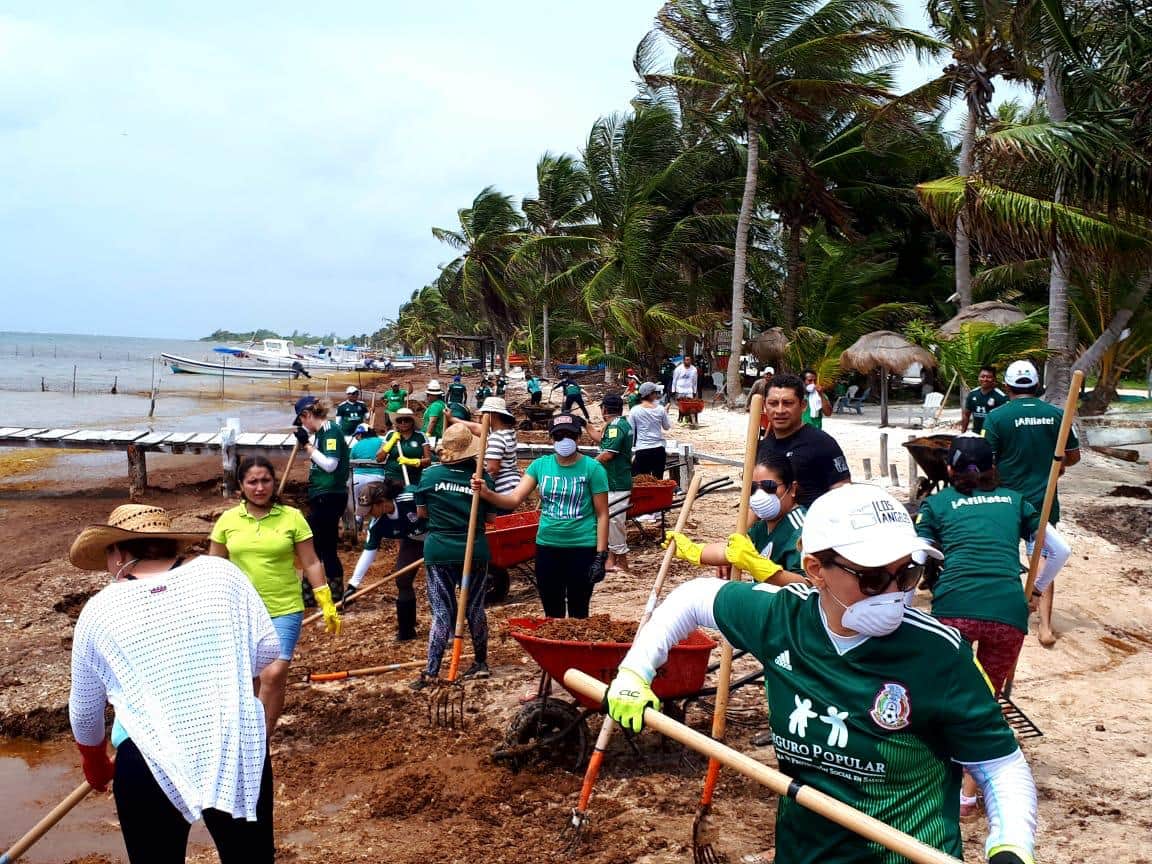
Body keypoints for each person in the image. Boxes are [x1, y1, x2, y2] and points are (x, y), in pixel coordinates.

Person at [606, 483, 1038, 864]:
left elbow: (999, 765)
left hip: (907, 854)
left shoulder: (940, 655)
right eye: (872, 579)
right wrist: (634, 673)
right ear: (816, 570)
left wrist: (1011, 846)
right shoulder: (784, 620)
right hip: (803, 850)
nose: (895, 593)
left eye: (908, 573)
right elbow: (693, 598)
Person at [69, 505, 281, 862]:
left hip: (148, 757)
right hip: (235, 741)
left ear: (119, 553)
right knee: (250, 857)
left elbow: (84, 711)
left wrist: (96, 762)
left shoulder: (99, 609)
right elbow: (265, 650)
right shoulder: (221, 574)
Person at [915, 434, 1070, 819]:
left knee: (948, 695)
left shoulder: (936, 504)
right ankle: (968, 795)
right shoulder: (1016, 501)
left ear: (949, 469)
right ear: (993, 469)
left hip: (954, 612)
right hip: (1007, 614)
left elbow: (918, 554)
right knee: (988, 697)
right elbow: (1059, 551)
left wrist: (903, 604)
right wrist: (1033, 590)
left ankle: (937, 778)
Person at [210, 456, 341, 732]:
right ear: (241, 486)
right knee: (252, 677)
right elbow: (215, 567)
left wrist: (325, 600)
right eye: (252, 482)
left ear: (273, 482)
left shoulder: (292, 517)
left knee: (275, 672)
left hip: (284, 607)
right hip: (240, 610)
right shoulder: (227, 520)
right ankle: (252, 728)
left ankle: (262, 738)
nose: (260, 487)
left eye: (265, 480)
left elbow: (311, 562)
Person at [982, 359, 1080, 646]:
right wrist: (1057, 466)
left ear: (1006, 386)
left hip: (1007, 502)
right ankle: (1045, 627)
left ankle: (1004, 614)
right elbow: (1072, 456)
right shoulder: (1055, 415)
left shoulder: (997, 417)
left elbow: (986, 463)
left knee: (1003, 556)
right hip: (1044, 500)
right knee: (1044, 559)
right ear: (1037, 386)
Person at [474, 414, 609, 618]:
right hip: (548, 547)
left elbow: (602, 514)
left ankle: (575, 648)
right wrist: (487, 493)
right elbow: (513, 499)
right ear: (551, 439)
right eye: (558, 436)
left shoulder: (593, 468)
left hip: (582, 547)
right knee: (551, 610)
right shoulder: (540, 466)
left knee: (579, 610)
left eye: (569, 435)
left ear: (578, 438)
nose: (564, 440)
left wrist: (601, 555)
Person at [412, 424, 496, 687]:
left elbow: (422, 514)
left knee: (441, 612)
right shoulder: (481, 477)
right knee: (475, 609)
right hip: (473, 549)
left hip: (440, 549)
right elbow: (491, 518)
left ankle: (431, 670)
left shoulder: (429, 476)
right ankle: (481, 662)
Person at [665, 454, 806, 583]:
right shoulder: (762, 527)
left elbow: (809, 587)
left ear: (792, 489)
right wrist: (691, 549)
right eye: (753, 488)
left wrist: (757, 566)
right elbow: (729, 551)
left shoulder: (802, 529)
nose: (760, 495)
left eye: (769, 487)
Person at [344, 480, 427, 641]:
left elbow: (439, 507)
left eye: (370, 510)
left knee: (438, 580)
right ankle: (407, 630)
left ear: (381, 502)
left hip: (438, 534)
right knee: (402, 579)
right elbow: (369, 552)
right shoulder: (377, 523)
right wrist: (353, 586)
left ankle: (450, 627)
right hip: (413, 540)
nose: (368, 515)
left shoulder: (410, 498)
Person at [759, 373, 851, 507]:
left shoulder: (822, 443)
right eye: (773, 403)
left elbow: (843, 491)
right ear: (764, 406)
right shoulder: (762, 447)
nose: (779, 410)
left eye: (788, 403)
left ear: (803, 405)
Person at [293, 396, 350, 599]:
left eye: (301, 420)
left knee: (324, 547)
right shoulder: (321, 434)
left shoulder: (330, 431)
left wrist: (307, 446)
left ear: (306, 415)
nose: (303, 425)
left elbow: (330, 464)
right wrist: (307, 440)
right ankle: (312, 593)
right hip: (321, 494)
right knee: (317, 545)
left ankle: (330, 594)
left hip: (330, 495)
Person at [588, 394, 633, 574]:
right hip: (616, 480)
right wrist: (587, 426)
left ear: (605, 410)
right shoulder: (621, 425)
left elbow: (608, 453)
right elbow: (604, 441)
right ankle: (612, 559)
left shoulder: (615, 427)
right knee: (611, 520)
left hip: (616, 482)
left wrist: (588, 466)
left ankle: (622, 561)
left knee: (615, 521)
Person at [448, 396, 522, 505]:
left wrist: (479, 486)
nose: (481, 417)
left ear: (493, 415)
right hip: (512, 484)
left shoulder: (497, 438)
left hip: (501, 490)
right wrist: (453, 419)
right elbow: (476, 428)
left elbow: (492, 469)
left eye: (484, 414)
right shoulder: (507, 431)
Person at [376, 406, 431, 486]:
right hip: (392, 477)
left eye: (406, 420)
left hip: (414, 478)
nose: (403, 423)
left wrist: (413, 462)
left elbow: (428, 461)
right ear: (396, 423)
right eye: (399, 420)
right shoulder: (390, 435)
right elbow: (379, 459)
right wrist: (391, 442)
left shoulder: (421, 436)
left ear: (412, 421)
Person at [630, 382, 671, 479]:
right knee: (658, 480)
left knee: (643, 480)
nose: (657, 395)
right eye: (655, 392)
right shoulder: (660, 409)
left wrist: (631, 450)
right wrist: (666, 413)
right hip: (658, 449)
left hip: (642, 449)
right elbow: (667, 427)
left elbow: (631, 431)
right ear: (650, 394)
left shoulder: (635, 410)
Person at [349, 425, 386, 527]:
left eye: (357, 435)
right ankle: (373, 525)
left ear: (361, 434)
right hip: (377, 478)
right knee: (377, 504)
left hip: (358, 479)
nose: (356, 438)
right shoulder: (381, 442)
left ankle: (358, 521)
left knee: (358, 503)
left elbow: (351, 462)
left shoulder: (357, 445)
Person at [962, 365, 1009, 434]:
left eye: (988, 377)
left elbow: (1005, 420)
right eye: (982, 376)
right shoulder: (972, 394)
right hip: (976, 433)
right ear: (978, 377)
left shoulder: (1001, 397)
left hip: (993, 434)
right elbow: (966, 415)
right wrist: (963, 433)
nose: (985, 379)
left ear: (994, 379)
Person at [672, 354, 699, 424]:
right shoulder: (678, 369)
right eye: (686, 360)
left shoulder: (694, 369)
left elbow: (695, 381)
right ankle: (680, 417)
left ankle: (690, 419)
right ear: (684, 361)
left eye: (689, 360)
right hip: (679, 390)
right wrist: (673, 390)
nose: (688, 361)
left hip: (689, 390)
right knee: (681, 405)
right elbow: (674, 380)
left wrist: (694, 391)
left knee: (690, 405)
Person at [421, 379, 447, 448]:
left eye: (428, 395)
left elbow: (433, 421)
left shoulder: (435, 406)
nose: (427, 397)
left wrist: (427, 435)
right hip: (438, 436)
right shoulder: (441, 404)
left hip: (433, 437)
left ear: (433, 395)